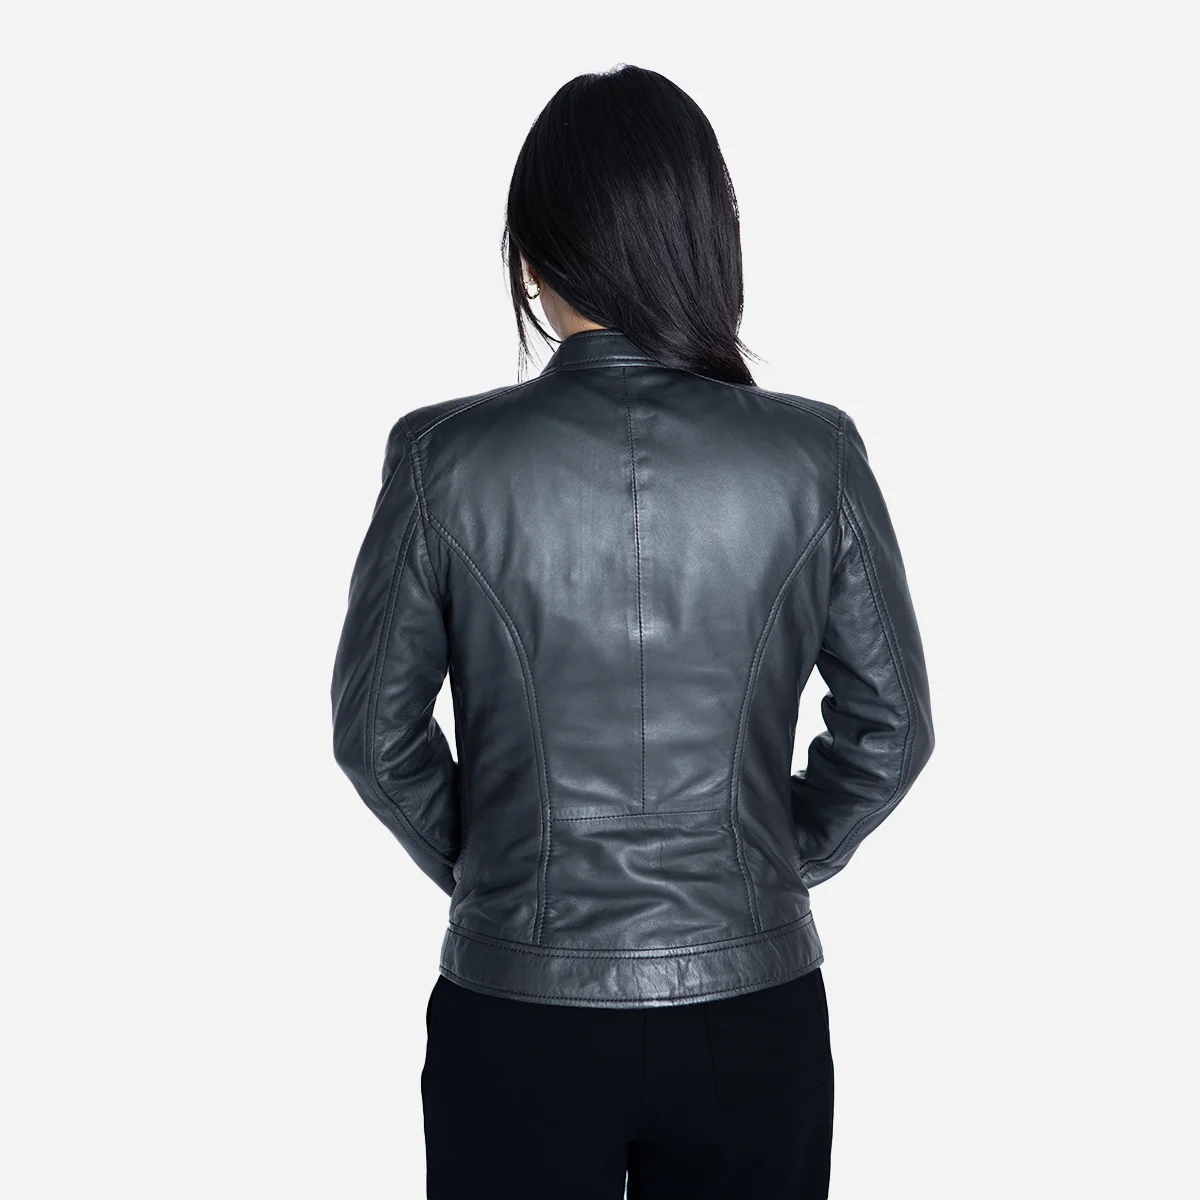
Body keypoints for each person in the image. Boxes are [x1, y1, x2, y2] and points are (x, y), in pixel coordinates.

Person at [330, 63, 934, 1200]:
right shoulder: (813, 455)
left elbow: (374, 737)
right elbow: (892, 732)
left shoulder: (441, 461)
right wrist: (762, 866)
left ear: (530, 256)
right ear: (707, 244)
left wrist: (502, 875)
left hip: (517, 1013)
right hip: (752, 1016)